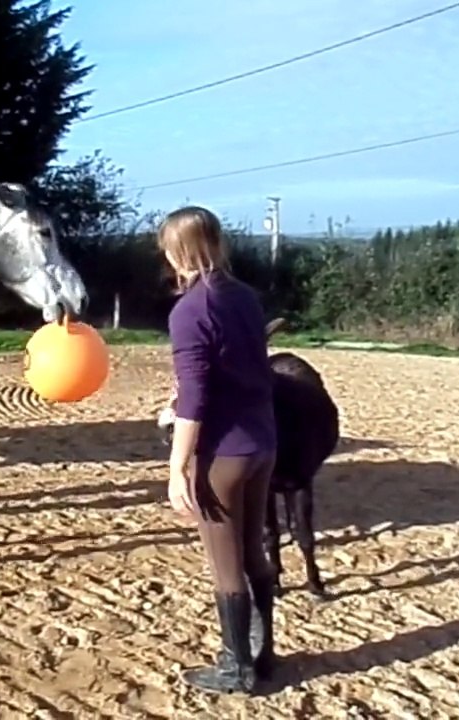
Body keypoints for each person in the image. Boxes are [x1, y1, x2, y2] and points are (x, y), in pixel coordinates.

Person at [159, 205, 279, 695]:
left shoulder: (190, 310)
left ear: (175, 250)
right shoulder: (245, 297)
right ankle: (262, 654)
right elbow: (236, 371)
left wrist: (176, 466)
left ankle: (236, 669)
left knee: (226, 568)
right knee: (254, 553)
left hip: (223, 455)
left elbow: (196, 397)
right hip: (262, 443)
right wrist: (179, 402)